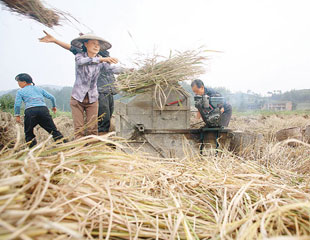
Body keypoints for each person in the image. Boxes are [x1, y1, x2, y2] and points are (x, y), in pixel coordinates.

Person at [39, 31, 123, 135]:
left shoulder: (102, 61)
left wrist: (131, 71)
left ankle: (96, 147)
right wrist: (55, 40)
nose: (96, 47)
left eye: (98, 45)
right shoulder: (80, 56)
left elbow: (112, 69)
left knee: (95, 126)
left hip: (93, 97)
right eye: (93, 44)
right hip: (79, 97)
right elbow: (81, 61)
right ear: (86, 44)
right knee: (79, 128)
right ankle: (81, 148)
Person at [14, 73, 65, 147]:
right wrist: (54, 107)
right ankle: (65, 146)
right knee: (53, 131)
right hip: (43, 110)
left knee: (28, 133)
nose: (18, 84)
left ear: (24, 82)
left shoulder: (20, 91)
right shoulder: (39, 89)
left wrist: (17, 115)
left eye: (19, 82)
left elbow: (17, 104)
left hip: (30, 111)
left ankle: (32, 150)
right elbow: (52, 97)